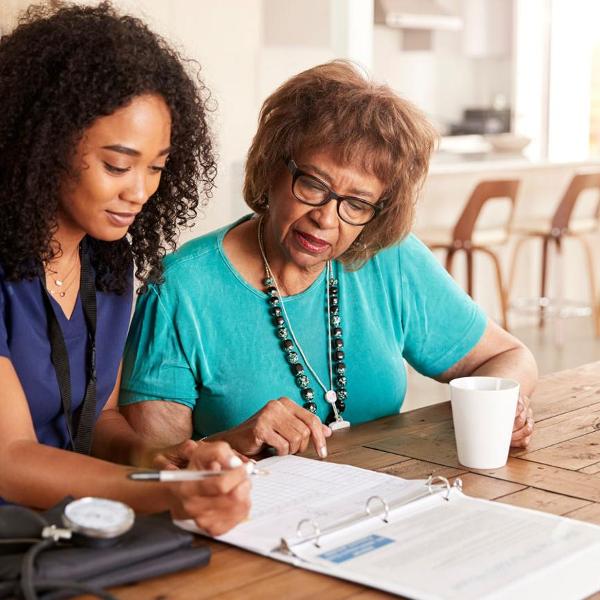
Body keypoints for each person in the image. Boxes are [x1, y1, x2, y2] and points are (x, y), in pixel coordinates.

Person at [120, 60, 537, 460]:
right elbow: (155, 467)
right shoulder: (181, 289)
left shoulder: (388, 260)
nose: (325, 218)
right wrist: (234, 442)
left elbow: (509, 357)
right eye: (313, 185)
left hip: (386, 505)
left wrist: (503, 403)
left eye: (356, 204)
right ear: (271, 169)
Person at [0, 2, 250, 535]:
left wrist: (157, 460)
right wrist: (165, 494)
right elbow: (11, 460)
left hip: (71, 529)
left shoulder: (109, 262)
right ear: (43, 143)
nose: (139, 192)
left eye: (157, 167)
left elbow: (98, 422)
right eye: (117, 165)